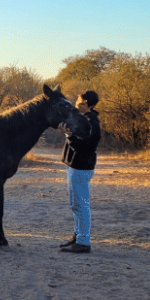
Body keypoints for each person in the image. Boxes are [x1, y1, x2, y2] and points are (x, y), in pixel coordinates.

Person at [59, 90, 101, 254]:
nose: (77, 103)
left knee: (81, 205)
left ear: (88, 105)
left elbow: (83, 148)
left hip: (81, 167)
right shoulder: (85, 119)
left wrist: (69, 135)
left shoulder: (91, 123)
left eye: (81, 102)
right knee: (75, 204)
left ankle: (83, 241)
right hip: (76, 166)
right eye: (78, 100)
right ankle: (78, 237)